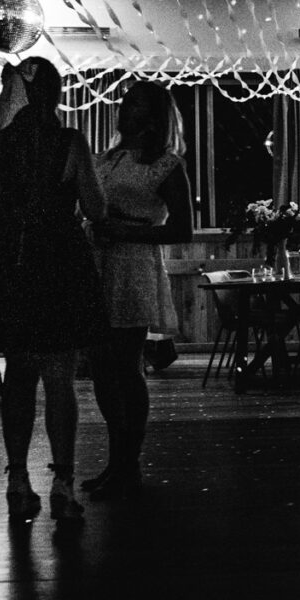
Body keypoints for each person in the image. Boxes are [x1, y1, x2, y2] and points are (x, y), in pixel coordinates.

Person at [0, 57, 109, 521]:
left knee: (18, 372)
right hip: (57, 255)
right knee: (59, 376)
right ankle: (63, 481)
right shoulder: (69, 141)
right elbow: (97, 209)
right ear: (54, 94)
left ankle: (17, 477)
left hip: (6, 255)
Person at [86, 81, 193, 500]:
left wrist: (125, 230)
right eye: (124, 100)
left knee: (126, 366)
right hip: (96, 262)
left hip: (132, 265)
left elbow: (181, 229)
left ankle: (129, 464)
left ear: (152, 115)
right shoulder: (106, 158)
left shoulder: (167, 165)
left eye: (133, 103)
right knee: (98, 365)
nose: (123, 107)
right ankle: (115, 460)